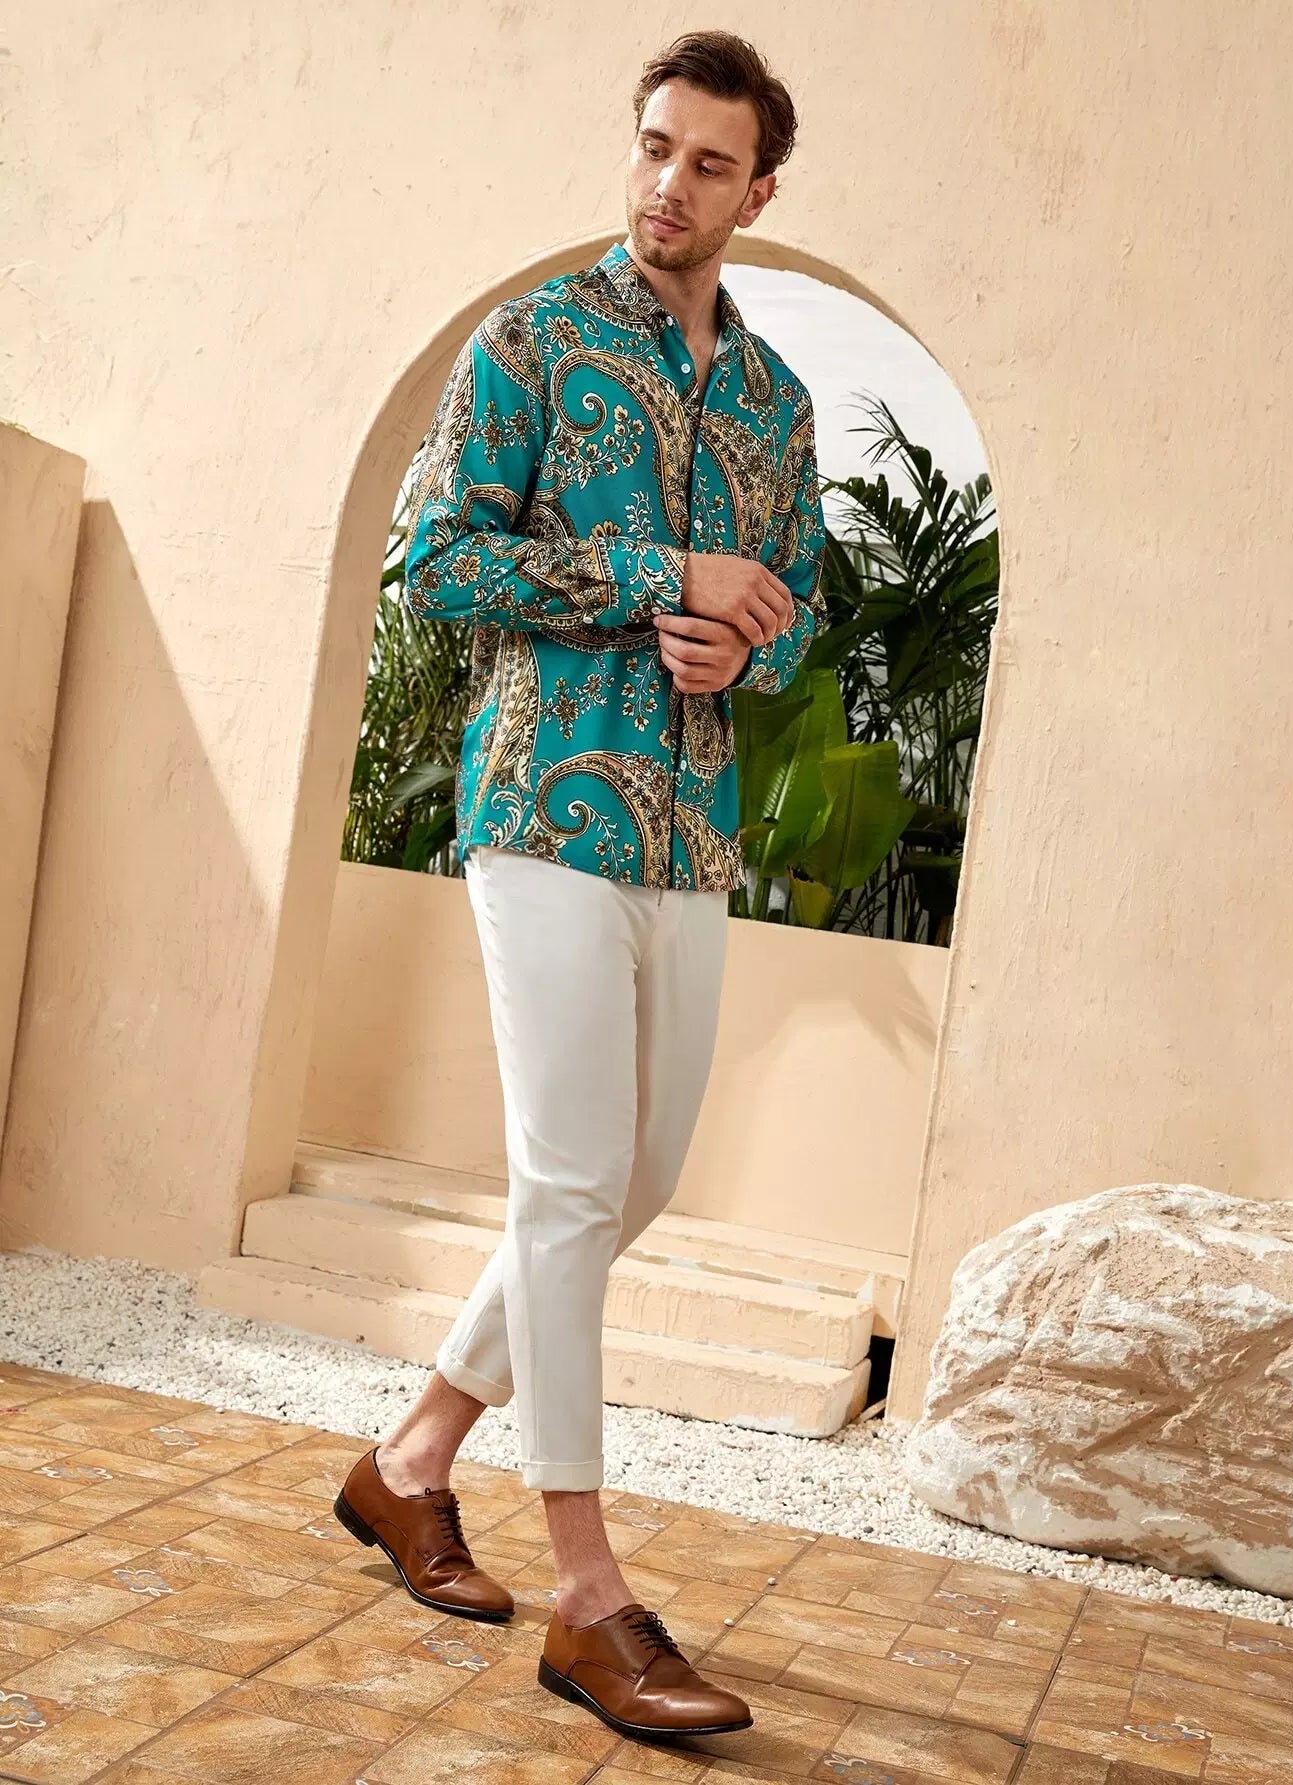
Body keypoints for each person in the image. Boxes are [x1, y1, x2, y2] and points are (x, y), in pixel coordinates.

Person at [336, 27, 827, 1742]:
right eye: (652, 146)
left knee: (639, 1178)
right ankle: (590, 1593)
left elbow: (798, 606)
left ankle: (411, 1460)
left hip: (692, 837)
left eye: (708, 163)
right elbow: (437, 557)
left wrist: (745, 643)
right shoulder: (532, 341)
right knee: (566, 1181)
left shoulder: (776, 404)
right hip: (541, 807)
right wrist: (653, 572)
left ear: (759, 190)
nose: (667, 184)